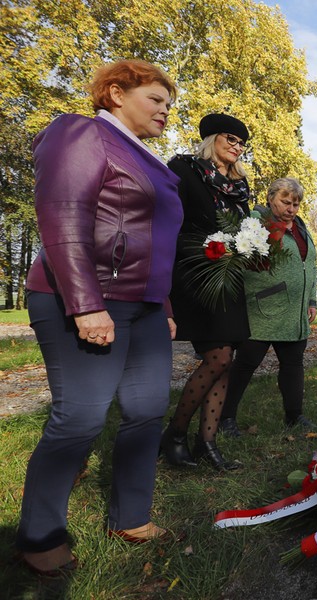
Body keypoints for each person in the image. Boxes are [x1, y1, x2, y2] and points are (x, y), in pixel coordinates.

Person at [17, 59, 182, 576]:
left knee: (148, 407)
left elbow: (156, 240)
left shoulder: (148, 158)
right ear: (114, 92)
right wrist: (86, 303)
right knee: (81, 417)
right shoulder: (82, 132)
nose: (165, 111)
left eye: (169, 105)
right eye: (155, 99)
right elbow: (63, 213)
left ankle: (129, 515)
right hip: (87, 297)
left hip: (146, 305)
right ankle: (39, 533)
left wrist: (166, 305)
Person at [161, 113, 252, 471]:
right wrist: (204, 248)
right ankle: (176, 433)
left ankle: (207, 441)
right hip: (197, 273)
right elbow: (170, 222)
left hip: (230, 277)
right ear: (211, 138)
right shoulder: (185, 170)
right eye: (230, 138)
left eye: (241, 143)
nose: (236, 146)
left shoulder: (239, 187)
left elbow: (243, 231)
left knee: (225, 359)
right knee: (217, 358)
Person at [219, 178, 317, 436]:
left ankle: (294, 416)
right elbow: (238, 260)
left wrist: (311, 300)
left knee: (293, 364)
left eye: (296, 204)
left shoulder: (300, 227)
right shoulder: (256, 222)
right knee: (246, 364)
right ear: (271, 197)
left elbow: (311, 265)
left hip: (295, 314)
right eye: (286, 202)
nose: (291, 209)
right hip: (264, 308)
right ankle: (225, 417)